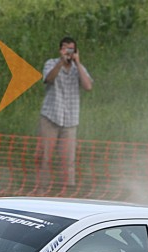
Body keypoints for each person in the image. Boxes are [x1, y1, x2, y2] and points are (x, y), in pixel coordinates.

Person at [37, 36, 93, 187]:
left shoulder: (79, 69)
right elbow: (48, 79)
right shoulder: (51, 63)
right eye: (65, 48)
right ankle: (43, 189)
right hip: (50, 116)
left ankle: (67, 191)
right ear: (60, 49)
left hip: (70, 120)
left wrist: (78, 62)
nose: (68, 52)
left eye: (71, 49)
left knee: (68, 159)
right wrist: (61, 61)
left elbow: (88, 86)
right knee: (45, 157)